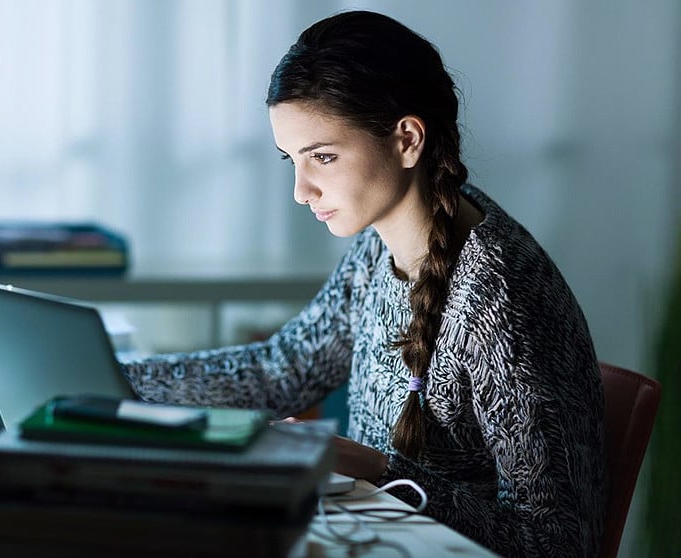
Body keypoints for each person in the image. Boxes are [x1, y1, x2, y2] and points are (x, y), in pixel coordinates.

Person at [121, 10, 605, 557]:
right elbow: (286, 368)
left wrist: (377, 469)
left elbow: (558, 544)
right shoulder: (382, 245)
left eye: (322, 157)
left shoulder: (502, 299)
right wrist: (116, 381)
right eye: (292, 160)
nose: (302, 191)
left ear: (406, 139)